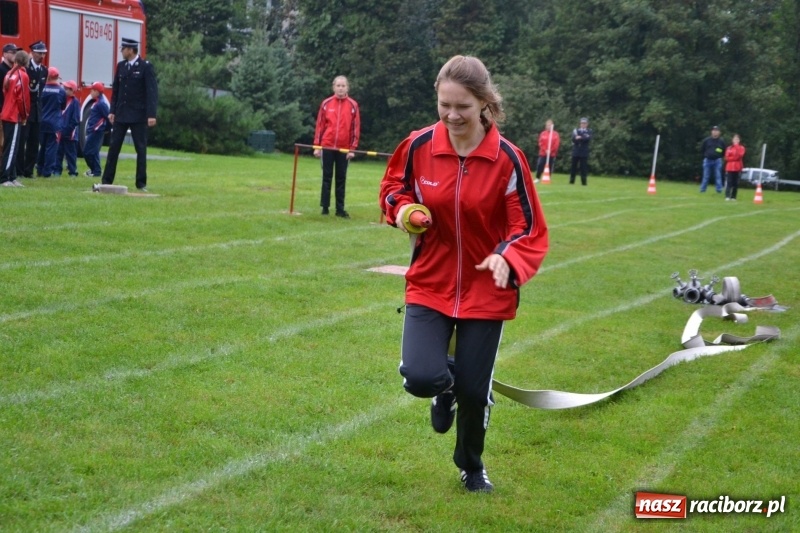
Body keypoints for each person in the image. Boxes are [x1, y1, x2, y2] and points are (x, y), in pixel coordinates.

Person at [378, 55, 549, 493]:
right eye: (444, 105)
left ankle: (471, 467)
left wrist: (507, 257)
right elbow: (394, 189)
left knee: (476, 393)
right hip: (429, 283)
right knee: (420, 377)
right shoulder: (418, 146)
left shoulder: (508, 159)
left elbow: (526, 227)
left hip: (486, 291)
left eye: (463, 107)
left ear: (484, 104)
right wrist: (406, 211)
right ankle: (443, 386)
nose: (452, 116)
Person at [101, 37, 158, 192]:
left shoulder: (145, 67)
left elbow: (151, 92)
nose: (122, 51)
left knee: (141, 148)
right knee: (114, 147)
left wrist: (151, 114)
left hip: (138, 115)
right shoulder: (121, 66)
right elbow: (116, 91)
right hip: (122, 113)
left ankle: (141, 183)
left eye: (124, 49)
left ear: (131, 50)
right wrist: (112, 110)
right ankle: (106, 180)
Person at [313, 75, 360, 218]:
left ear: (347, 87)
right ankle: (325, 208)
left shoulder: (353, 105)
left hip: (344, 148)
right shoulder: (326, 103)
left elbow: (355, 128)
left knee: (341, 178)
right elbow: (320, 126)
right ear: (333, 87)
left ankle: (340, 209)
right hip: (327, 146)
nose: (340, 88)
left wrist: (352, 149)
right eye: (338, 85)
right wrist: (317, 146)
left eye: (343, 86)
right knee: (326, 177)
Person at [17, 40, 47, 178]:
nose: (42, 56)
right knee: (23, 139)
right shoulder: (26, 69)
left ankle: (29, 170)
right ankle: (20, 170)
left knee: (34, 142)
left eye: (43, 54)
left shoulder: (44, 70)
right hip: (27, 109)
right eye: (39, 53)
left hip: (37, 111)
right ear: (33, 53)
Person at [1, 50, 30, 187]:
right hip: (14, 115)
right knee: (11, 147)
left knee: (11, 146)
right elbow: (23, 99)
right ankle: (5, 177)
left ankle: (11, 176)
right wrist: (25, 115)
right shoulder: (22, 75)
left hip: (6, 112)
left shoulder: (9, 73)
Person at [37, 66, 65, 177]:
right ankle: (47, 171)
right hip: (54, 123)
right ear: (57, 76)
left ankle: (39, 168)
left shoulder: (42, 88)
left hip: (42, 121)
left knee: (42, 146)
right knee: (51, 148)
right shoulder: (61, 91)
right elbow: (63, 107)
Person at [83, 82, 110, 178]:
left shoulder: (101, 104)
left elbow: (108, 117)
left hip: (97, 130)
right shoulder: (97, 102)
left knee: (89, 151)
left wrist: (106, 129)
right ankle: (95, 170)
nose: (90, 91)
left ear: (97, 92)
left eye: (92, 90)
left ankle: (96, 170)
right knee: (92, 151)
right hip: (93, 129)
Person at [56, 79, 80, 176]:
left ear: (72, 90)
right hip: (60, 131)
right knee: (58, 153)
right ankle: (57, 170)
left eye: (66, 88)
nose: (64, 90)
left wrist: (68, 129)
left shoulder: (75, 102)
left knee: (71, 154)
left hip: (71, 134)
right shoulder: (62, 99)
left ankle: (72, 171)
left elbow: (75, 119)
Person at [0, 44, 20, 152]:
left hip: (10, 113)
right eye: (12, 52)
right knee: (2, 142)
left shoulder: (13, 71)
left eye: (16, 52)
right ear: (5, 54)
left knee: (7, 142)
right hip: (2, 111)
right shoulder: (1, 70)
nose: (15, 55)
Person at [699, 125, 726, 193]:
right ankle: (702, 190)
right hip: (707, 160)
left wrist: (720, 156)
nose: (715, 132)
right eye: (714, 131)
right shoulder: (706, 140)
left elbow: (724, 151)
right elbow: (702, 150)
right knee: (706, 176)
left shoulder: (721, 141)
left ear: (719, 132)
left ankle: (719, 190)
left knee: (718, 176)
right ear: (711, 132)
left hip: (717, 160)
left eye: (716, 131)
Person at [569, 117, 592, 185]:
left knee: (583, 168)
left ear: (587, 124)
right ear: (580, 124)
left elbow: (587, 138)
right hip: (576, 151)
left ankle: (584, 182)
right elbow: (573, 139)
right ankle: (571, 181)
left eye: (584, 123)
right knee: (573, 167)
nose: (583, 124)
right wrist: (581, 137)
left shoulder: (589, 130)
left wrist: (580, 137)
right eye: (582, 123)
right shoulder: (576, 130)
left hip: (584, 152)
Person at [724, 134, 745, 201]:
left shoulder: (741, 148)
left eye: (737, 139)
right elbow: (727, 157)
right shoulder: (729, 148)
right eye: (734, 139)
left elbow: (739, 156)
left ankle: (733, 196)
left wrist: (733, 157)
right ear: (732, 140)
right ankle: (727, 196)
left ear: (739, 140)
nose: (735, 140)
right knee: (729, 182)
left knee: (735, 183)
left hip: (737, 167)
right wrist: (733, 158)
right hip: (729, 167)